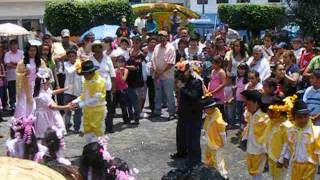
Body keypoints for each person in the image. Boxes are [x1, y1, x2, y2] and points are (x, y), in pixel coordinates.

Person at [171, 62, 203, 169]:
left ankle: (195, 160)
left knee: (193, 138)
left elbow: (193, 95)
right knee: (181, 134)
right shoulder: (186, 81)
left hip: (193, 115)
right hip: (184, 112)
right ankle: (182, 153)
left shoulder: (196, 82)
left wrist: (183, 88)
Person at [282, 100, 320, 180]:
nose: (303, 120)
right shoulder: (290, 131)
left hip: (310, 165)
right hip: (295, 164)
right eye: (299, 117)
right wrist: (285, 158)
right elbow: (288, 146)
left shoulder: (316, 131)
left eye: (305, 116)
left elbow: (318, 150)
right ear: (294, 117)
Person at [71, 60, 106, 143]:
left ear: (91, 72)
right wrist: (75, 101)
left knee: (98, 130)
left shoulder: (99, 81)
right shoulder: (87, 80)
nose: (84, 76)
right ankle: (90, 149)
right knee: (87, 130)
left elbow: (96, 98)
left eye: (85, 74)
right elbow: (84, 95)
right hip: (87, 109)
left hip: (98, 110)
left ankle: (101, 151)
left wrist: (80, 104)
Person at [33, 68, 69, 139]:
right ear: (43, 84)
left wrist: (64, 89)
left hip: (45, 113)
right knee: (45, 133)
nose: (49, 84)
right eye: (48, 83)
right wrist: (66, 107)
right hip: (44, 115)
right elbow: (52, 106)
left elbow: (53, 92)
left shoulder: (43, 90)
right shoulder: (42, 95)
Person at [241, 90, 269, 180]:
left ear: (256, 103)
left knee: (257, 173)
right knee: (252, 172)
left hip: (259, 149)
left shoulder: (264, 118)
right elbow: (248, 127)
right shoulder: (250, 114)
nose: (247, 107)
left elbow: (267, 135)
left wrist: (266, 150)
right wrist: (244, 138)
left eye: (249, 105)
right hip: (250, 148)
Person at [263, 96, 293, 180]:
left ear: (276, 112)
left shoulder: (286, 126)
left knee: (280, 177)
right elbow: (268, 138)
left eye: (269, 111)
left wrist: (281, 159)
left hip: (279, 159)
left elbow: (287, 144)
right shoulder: (271, 122)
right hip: (271, 155)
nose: (267, 113)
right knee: (273, 177)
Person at [89, 40, 116, 134]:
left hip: (107, 86)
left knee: (109, 107)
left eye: (100, 49)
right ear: (93, 50)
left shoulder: (107, 58)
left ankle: (109, 126)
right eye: (96, 49)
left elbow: (112, 73)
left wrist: (114, 86)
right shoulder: (90, 60)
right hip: (95, 88)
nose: (98, 51)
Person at [15, 41, 46, 118]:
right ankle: (23, 122)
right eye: (30, 50)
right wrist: (24, 74)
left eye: (34, 50)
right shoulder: (22, 62)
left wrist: (41, 75)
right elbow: (17, 74)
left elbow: (46, 72)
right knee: (23, 105)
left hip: (37, 85)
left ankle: (33, 121)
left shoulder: (40, 61)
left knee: (35, 105)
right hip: (25, 87)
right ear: (27, 51)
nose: (32, 52)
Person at [150, 31, 176, 120]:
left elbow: (171, 63)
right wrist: (155, 69)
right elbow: (153, 59)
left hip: (167, 76)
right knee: (157, 95)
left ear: (167, 37)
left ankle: (171, 112)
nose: (161, 38)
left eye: (163, 36)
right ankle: (157, 111)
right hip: (157, 75)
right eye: (159, 36)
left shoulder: (171, 48)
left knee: (169, 95)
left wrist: (161, 72)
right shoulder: (156, 47)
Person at [202, 96, 228, 179]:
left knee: (218, 162)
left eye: (205, 108)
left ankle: (223, 176)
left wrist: (223, 143)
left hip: (216, 145)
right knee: (209, 160)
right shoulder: (209, 116)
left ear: (211, 108)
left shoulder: (218, 120)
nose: (204, 111)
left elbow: (223, 133)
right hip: (209, 143)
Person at [64, 50, 83, 133]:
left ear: (76, 56)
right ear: (68, 57)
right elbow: (69, 71)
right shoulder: (66, 64)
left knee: (78, 111)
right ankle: (67, 126)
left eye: (73, 56)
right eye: (70, 56)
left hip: (78, 91)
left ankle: (77, 128)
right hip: (68, 91)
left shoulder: (80, 65)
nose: (72, 58)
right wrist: (77, 64)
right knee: (67, 110)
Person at [127, 36, 145, 121]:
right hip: (128, 78)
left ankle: (137, 115)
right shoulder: (129, 51)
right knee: (129, 98)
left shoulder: (141, 54)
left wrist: (124, 66)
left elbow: (135, 67)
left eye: (137, 43)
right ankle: (130, 115)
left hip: (137, 78)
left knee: (137, 98)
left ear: (140, 43)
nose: (135, 44)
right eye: (133, 43)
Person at [4, 39, 24, 110]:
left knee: (21, 91)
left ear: (17, 45)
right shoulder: (7, 54)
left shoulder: (21, 52)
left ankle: (21, 105)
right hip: (11, 77)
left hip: (21, 76)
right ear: (10, 46)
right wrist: (18, 64)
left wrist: (13, 63)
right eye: (12, 45)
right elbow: (7, 64)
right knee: (12, 92)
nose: (14, 46)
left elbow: (23, 63)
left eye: (15, 44)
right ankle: (12, 105)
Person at [112, 56, 130, 124]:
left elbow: (123, 80)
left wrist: (120, 72)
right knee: (113, 106)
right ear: (116, 63)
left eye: (122, 62)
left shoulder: (125, 70)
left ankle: (126, 120)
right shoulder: (114, 70)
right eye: (119, 62)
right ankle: (110, 120)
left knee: (123, 106)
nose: (120, 63)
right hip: (116, 90)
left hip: (123, 90)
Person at [143, 36, 158, 114]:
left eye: (154, 42)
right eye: (151, 42)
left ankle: (153, 108)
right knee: (142, 93)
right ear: (148, 43)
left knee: (152, 93)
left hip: (153, 75)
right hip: (144, 75)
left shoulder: (157, 51)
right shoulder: (143, 51)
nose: (153, 44)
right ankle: (140, 109)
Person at [235, 63, 249, 128]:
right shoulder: (238, 78)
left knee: (244, 115)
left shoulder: (247, 79)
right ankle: (241, 128)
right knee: (239, 114)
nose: (240, 71)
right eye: (239, 69)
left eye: (242, 69)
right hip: (238, 100)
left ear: (246, 70)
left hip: (244, 101)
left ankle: (244, 129)